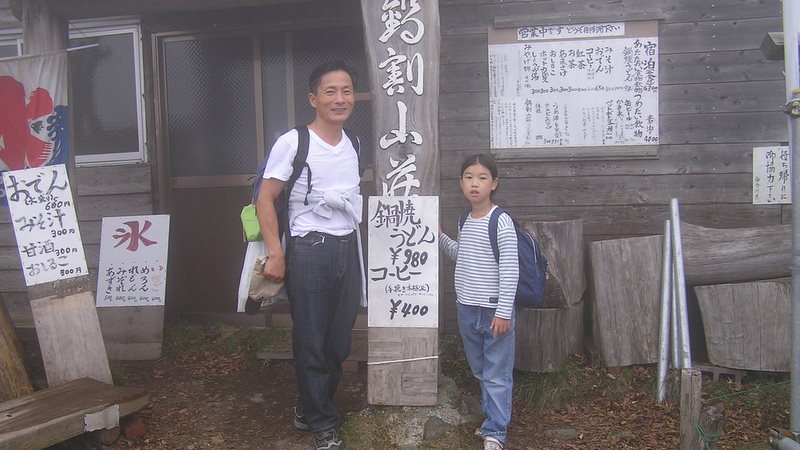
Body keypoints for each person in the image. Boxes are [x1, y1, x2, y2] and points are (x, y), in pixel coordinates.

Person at [256, 60, 364, 450]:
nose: (340, 98)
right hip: (308, 249)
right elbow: (264, 199)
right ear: (313, 99)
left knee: (338, 341)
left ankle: (308, 406)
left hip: (347, 247)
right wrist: (276, 252)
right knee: (312, 338)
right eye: (330, 91)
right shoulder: (294, 142)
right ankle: (322, 421)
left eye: (346, 90)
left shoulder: (353, 143)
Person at [439, 153, 519, 450]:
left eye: (482, 178)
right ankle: (490, 421)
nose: (475, 183)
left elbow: (510, 269)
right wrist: (440, 237)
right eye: (469, 177)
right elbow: (462, 256)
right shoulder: (464, 219)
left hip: (494, 310)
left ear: (494, 184)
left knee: (496, 373)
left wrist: (503, 312)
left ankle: (496, 432)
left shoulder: (500, 221)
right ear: (461, 183)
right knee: (481, 370)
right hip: (466, 308)